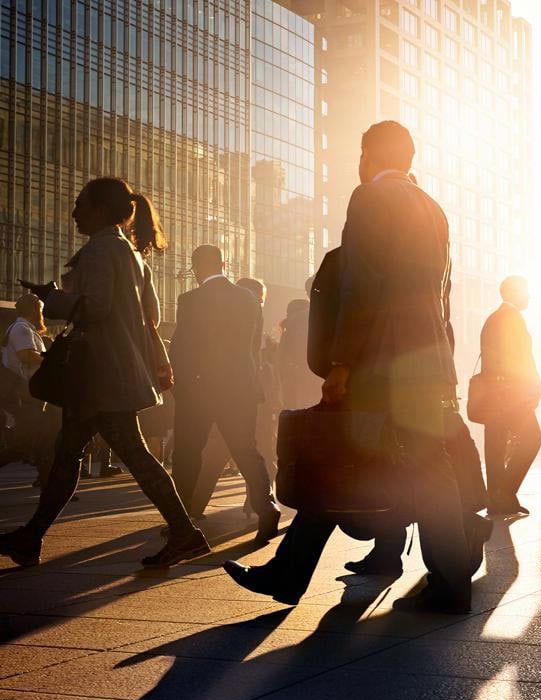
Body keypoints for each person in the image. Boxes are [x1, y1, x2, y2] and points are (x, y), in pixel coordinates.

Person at [223, 121, 474, 613]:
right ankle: (448, 583)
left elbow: (361, 286)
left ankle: (291, 572)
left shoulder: (370, 199)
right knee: (426, 473)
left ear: (368, 155)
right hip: (426, 361)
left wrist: (341, 362)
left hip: (382, 361)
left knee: (338, 458)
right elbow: (441, 296)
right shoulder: (433, 208)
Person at [0, 177, 209, 568]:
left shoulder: (99, 249)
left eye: (80, 204)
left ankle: (184, 532)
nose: (74, 211)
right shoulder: (131, 253)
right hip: (113, 371)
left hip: (98, 373)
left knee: (127, 453)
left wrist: (53, 297)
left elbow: (94, 308)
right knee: (70, 454)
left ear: (99, 210)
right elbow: (152, 317)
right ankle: (30, 537)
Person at [168, 246, 281, 544]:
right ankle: (266, 506)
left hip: (200, 388)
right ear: (223, 264)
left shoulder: (190, 300)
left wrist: (181, 386)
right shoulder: (248, 298)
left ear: (196, 267)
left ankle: (181, 517)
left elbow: (182, 348)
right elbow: (254, 347)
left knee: (188, 453)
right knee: (246, 449)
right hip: (241, 386)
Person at [479, 275, 541, 516]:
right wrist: (532, 386)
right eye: (525, 291)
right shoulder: (512, 318)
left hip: (494, 395)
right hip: (511, 395)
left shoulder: (494, 318)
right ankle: (504, 493)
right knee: (532, 439)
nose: (528, 296)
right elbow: (520, 358)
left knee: (495, 447)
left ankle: (498, 500)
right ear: (515, 292)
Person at [0, 294, 55, 487]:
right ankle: (49, 482)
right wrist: (51, 360)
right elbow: (25, 355)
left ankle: (48, 482)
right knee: (26, 443)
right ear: (34, 310)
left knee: (42, 439)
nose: (42, 313)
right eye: (40, 309)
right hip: (25, 394)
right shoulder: (21, 329)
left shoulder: (24, 329)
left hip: (30, 393)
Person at [278, 298, 320, 410]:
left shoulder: (289, 329)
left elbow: (281, 358)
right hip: (311, 379)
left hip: (294, 378)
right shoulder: (314, 326)